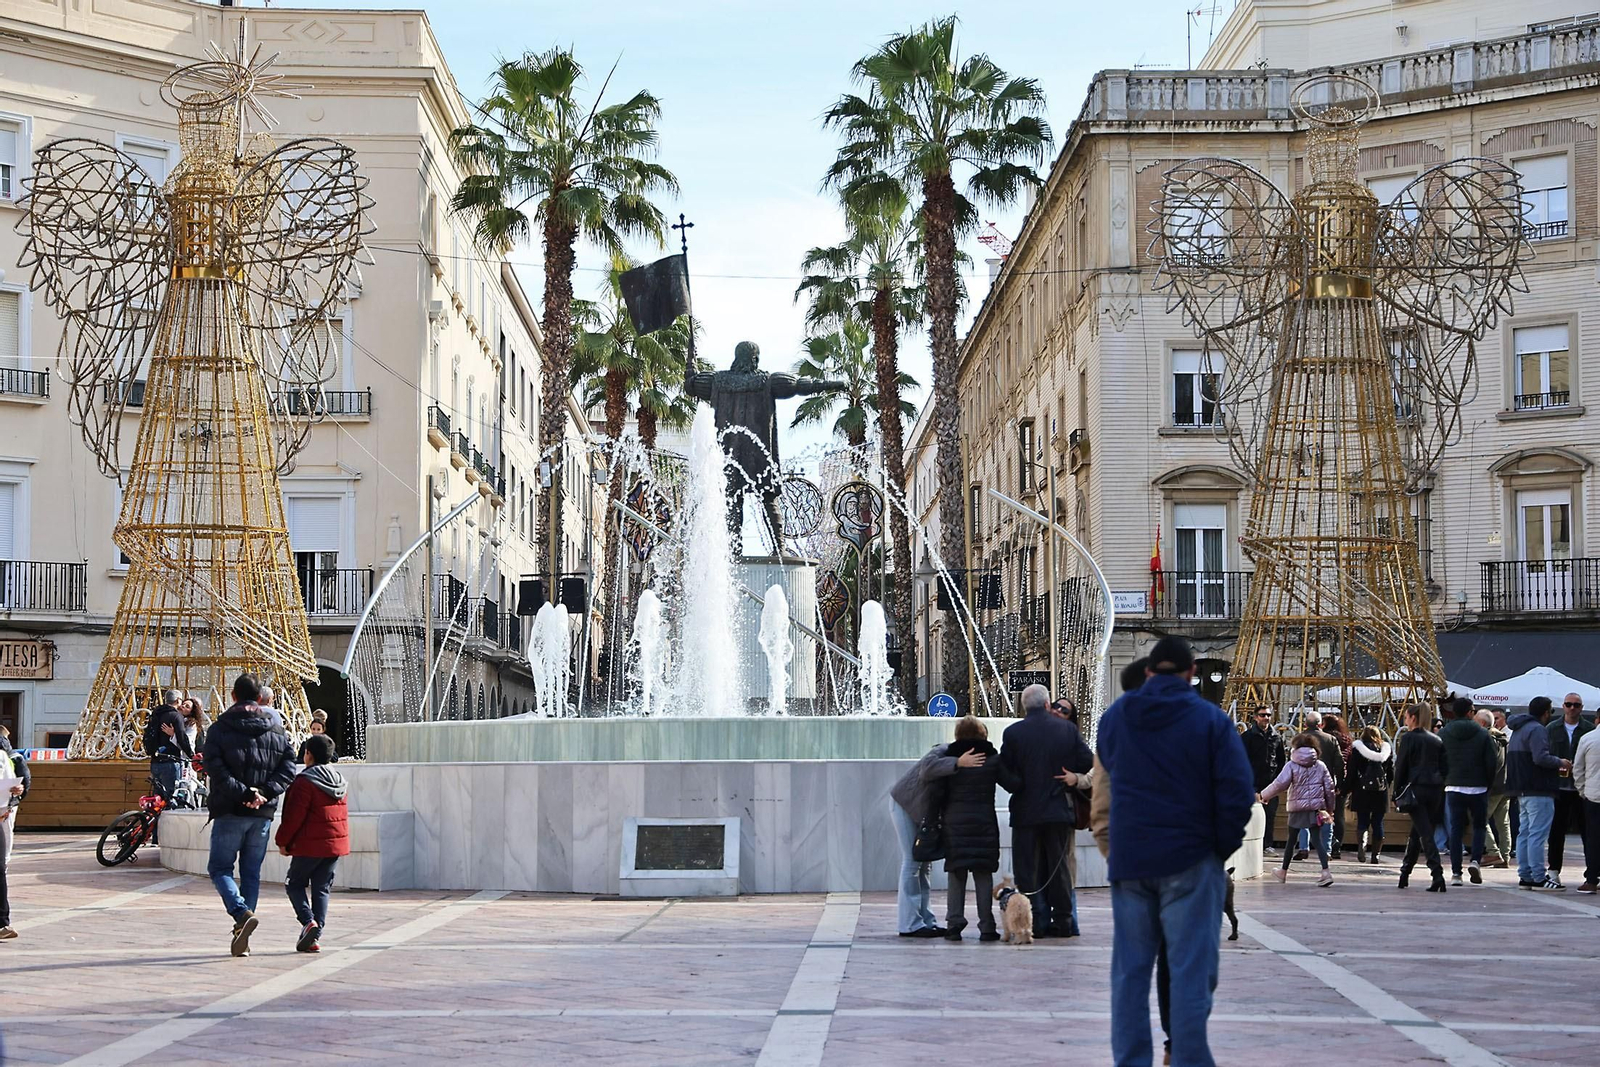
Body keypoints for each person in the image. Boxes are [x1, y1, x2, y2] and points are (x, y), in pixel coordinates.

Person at [1097, 635, 1254, 1067]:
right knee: (1189, 973)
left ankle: (1130, 1060)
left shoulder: (1116, 717)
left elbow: (1108, 768)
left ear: (1148, 672)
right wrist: (1216, 849)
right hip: (1189, 858)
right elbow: (1238, 793)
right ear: (1191, 673)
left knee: (1129, 974)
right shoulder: (1211, 720)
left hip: (1131, 862)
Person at [203, 672, 298, 956]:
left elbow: (215, 769)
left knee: (220, 869)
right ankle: (242, 933)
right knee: (251, 873)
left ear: (233, 696)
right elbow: (288, 767)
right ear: (260, 698)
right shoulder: (277, 729)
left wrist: (244, 793)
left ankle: (241, 913)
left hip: (230, 809)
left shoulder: (220, 729)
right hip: (262, 814)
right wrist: (265, 793)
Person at [1001, 682, 1093, 938]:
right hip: (1057, 808)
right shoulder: (1066, 729)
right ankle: (1063, 921)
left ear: (1024, 706)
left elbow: (1005, 771)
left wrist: (1018, 785)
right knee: (1059, 867)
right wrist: (1069, 773)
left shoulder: (1013, 733)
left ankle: (1036, 921)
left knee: (1027, 868)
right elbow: (1088, 762)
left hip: (1025, 811)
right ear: (1046, 704)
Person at [931, 716, 1019, 941]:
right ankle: (987, 926)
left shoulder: (951, 759)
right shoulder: (992, 760)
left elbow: (936, 791)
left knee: (956, 874)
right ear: (983, 734)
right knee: (983, 873)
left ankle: (954, 924)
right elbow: (1013, 784)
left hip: (955, 824)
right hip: (984, 823)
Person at [889, 734, 982, 938]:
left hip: (923, 815)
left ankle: (926, 920)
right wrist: (958, 762)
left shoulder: (965, 761)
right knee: (912, 862)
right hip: (905, 805)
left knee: (925, 865)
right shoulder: (944, 750)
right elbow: (927, 769)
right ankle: (909, 924)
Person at [276, 733, 349, 953]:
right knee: (322, 889)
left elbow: (293, 816)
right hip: (334, 845)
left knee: (294, 883)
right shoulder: (339, 780)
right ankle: (315, 937)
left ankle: (308, 922)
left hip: (309, 845)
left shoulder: (305, 781)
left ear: (308, 754)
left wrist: (283, 841)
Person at [1506, 696, 1570, 891]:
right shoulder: (1537, 729)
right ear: (1546, 712)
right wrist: (1561, 762)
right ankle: (1539, 876)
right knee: (1537, 834)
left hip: (1521, 788)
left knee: (1524, 832)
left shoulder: (1518, 729)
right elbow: (1540, 758)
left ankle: (1525, 875)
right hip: (1539, 788)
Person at [1259, 732, 1337, 886]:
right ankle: (1326, 872)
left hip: (1296, 808)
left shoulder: (1292, 765)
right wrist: (1330, 809)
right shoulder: (1320, 765)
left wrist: (1264, 795)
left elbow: (1280, 783)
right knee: (1317, 840)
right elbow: (1330, 788)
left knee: (1291, 841)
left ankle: (1283, 872)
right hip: (1315, 808)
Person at [1440, 696, 1499, 887]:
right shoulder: (1483, 734)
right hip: (1478, 786)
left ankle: (1456, 873)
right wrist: (1487, 784)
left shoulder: (1444, 732)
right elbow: (1492, 762)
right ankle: (1475, 861)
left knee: (1455, 830)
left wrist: (1445, 779)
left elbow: (1438, 759)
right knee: (1479, 826)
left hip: (1454, 786)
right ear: (1469, 712)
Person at [1393, 703, 1448, 892]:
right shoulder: (1436, 740)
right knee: (1419, 831)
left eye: (1406, 717)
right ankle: (1405, 872)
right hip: (1435, 790)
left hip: (1416, 789)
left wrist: (1396, 792)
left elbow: (1400, 766)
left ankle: (1437, 874)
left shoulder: (1409, 738)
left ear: (1413, 718)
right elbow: (1445, 767)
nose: (1405, 720)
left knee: (1425, 833)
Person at [1547, 693, 1593, 887]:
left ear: (1581, 707)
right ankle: (1554, 870)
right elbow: (1545, 754)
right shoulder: (1551, 729)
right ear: (1563, 707)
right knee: (1556, 830)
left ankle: (1592, 872)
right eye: (1568, 704)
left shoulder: (1588, 729)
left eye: (1576, 705)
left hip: (1582, 787)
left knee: (1588, 831)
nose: (1572, 708)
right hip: (1558, 786)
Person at [1241, 705, 1287, 853]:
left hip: (1270, 783)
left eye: (1268, 715)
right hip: (1251, 782)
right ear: (1255, 717)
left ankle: (1267, 845)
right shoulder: (1247, 737)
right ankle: (1248, 844)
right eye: (1262, 715)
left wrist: (1278, 781)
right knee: (1249, 814)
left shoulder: (1276, 737)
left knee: (1269, 816)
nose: (1266, 718)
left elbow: (1281, 760)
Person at [0, 725, 30, 940]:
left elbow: (14, 781)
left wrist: (15, 792)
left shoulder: (4, 756)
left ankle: (2, 924)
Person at [1348, 725, 1393, 863]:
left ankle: (1362, 850)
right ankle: (1376, 855)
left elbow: (1351, 771)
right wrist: (1386, 785)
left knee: (1362, 820)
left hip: (1362, 790)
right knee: (1378, 822)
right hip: (1380, 791)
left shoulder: (1358, 750)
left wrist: (1347, 788)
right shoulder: (1385, 750)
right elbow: (1390, 772)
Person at [143, 689, 193, 800]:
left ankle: (156, 817)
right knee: (171, 797)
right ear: (178, 700)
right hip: (170, 761)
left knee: (158, 797)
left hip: (155, 761)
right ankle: (169, 817)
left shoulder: (155, 714)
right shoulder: (175, 716)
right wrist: (191, 755)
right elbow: (182, 739)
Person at [1480, 709, 1513, 868]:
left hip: (1493, 786)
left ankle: (1493, 852)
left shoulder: (1488, 737)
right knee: (1503, 822)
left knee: (1480, 818)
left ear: (1482, 723)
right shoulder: (1502, 737)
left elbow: (1491, 763)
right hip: (1505, 784)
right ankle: (1505, 856)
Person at [1572, 716, 1600, 894]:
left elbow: (1577, 769)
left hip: (1593, 796)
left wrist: (1582, 790)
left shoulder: (1588, 738)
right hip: (1592, 793)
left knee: (1593, 839)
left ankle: (1591, 879)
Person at [1322, 713, 1354, 859]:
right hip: (1343, 781)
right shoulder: (1347, 740)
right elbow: (1346, 762)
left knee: (1324, 813)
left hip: (1324, 780)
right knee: (1339, 814)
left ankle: (1326, 844)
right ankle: (1337, 846)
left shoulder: (1324, 739)